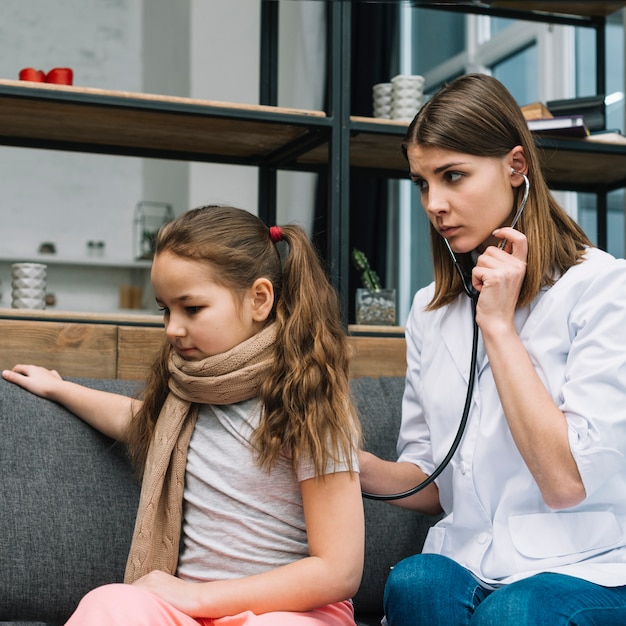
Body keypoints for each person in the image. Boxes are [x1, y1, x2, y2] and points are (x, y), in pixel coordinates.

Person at [2, 205, 364, 626]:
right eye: (165, 310)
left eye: (191, 309)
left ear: (259, 300)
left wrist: (198, 598)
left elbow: (339, 570)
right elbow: (136, 421)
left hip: (292, 612)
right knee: (111, 603)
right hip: (188, 611)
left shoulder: (311, 402)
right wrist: (60, 388)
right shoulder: (186, 395)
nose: (173, 328)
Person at [359, 72, 626, 625]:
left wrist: (500, 327)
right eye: (422, 183)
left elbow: (565, 481)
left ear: (516, 166)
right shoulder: (429, 307)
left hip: (589, 563)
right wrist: (343, 462)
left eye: (453, 176)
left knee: (516, 612)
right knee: (416, 583)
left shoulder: (603, 288)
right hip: (470, 556)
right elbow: (432, 478)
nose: (435, 203)